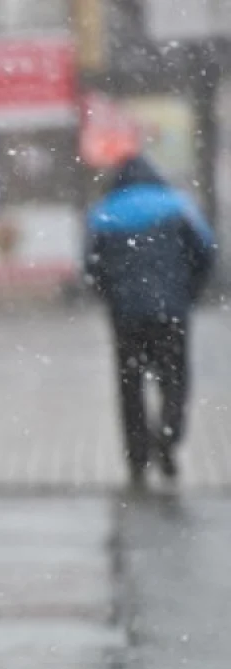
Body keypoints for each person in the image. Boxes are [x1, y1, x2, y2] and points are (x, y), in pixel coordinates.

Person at [85, 154, 216, 487]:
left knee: (130, 386)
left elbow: (90, 266)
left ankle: (137, 459)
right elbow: (206, 252)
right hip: (172, 311)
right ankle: (168, 437)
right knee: (175, 380)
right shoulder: (178, 205)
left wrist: (111, 297)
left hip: (126, 316)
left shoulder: (104, 212)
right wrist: (189, 292)